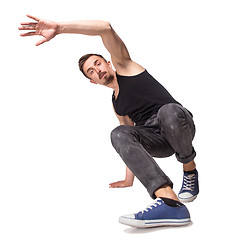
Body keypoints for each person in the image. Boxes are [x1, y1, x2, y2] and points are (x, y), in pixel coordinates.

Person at [19, 15, 199, 228]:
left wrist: (59, 28)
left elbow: (105, 28)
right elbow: (129, 142)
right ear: (92, 81)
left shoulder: (126, 67)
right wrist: (128, 179)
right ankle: (169, 201)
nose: (98, 70)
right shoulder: (116, 104)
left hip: (178, 123)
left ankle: (189, 169)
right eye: (91, 71)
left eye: (98, 63)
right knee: (117, 133)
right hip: (157, 141)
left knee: (168, 111)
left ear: (109, 62)